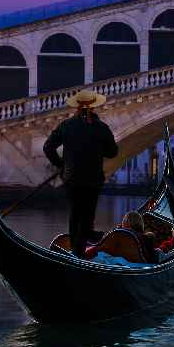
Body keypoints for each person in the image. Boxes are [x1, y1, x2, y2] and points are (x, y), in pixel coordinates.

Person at [43, 89, 118, 251]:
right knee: (88, 214)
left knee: (75, 213)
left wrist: (61, 164)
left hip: (71, 178)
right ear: (93, 107)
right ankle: (81, 249)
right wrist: (99, 148)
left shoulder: (66, 125)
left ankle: (77, 249)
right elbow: (113, 152)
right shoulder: (101, 128)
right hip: (93, 179)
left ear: (77, 107)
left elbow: (48, 147)